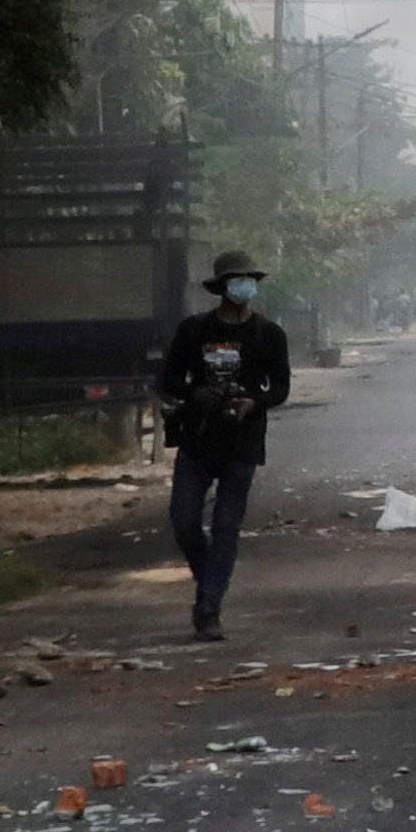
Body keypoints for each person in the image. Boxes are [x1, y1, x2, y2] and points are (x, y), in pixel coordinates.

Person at [157, 250, 289, 637]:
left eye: (248, 279)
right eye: (236, 279)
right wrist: (196, 394)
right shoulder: (194, 331)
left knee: (226, 527)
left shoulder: (269, 334)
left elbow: (280, 388)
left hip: (242, 443)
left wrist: (253, 402)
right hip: (197, 440)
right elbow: (167, 382)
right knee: (184, 522)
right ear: (222, 287)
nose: (243, 285)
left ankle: (208, 609)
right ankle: (209, 581)